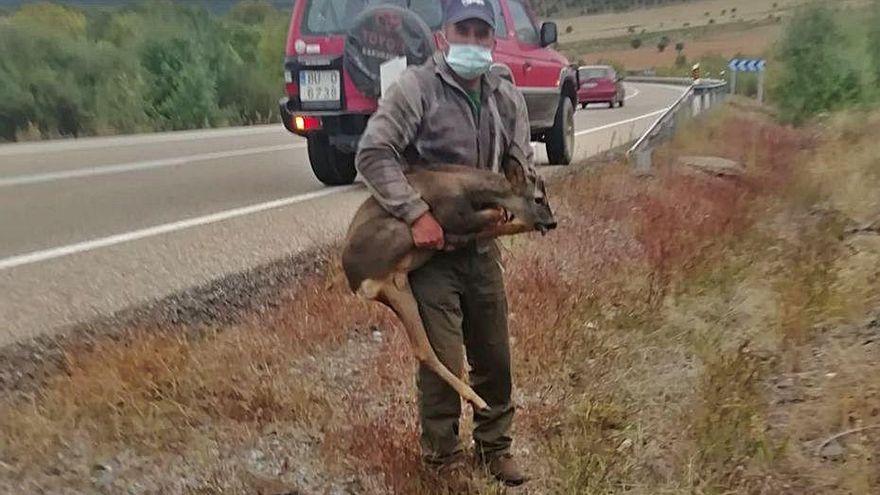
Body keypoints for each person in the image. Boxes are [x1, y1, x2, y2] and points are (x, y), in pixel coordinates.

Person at [354, 0, 538, 486]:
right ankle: (443, 460)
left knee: (495, 355)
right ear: (443, 35)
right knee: (443, 362)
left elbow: (520, 164)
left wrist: (519, 203)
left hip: (482, 246)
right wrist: (414, 214)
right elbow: (373, 154)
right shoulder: (416, 89)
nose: (473, 42)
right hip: (431, 254)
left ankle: (495, 447)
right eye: (464, 30)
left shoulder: (505, 96)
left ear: (493, 39)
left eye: (482, 33)